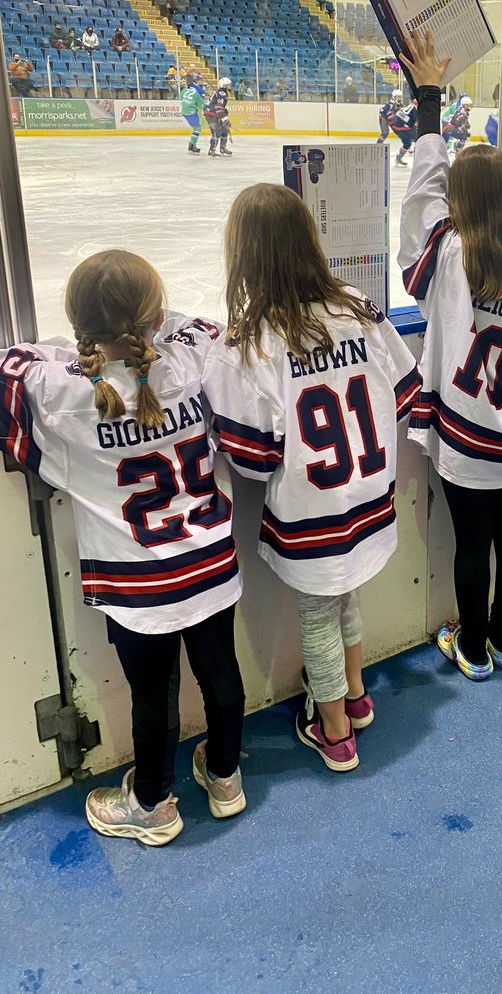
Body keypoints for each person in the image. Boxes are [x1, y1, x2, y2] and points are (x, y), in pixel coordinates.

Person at [0, 251, 246, 847]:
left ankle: (152, 804)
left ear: (78, 324)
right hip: (210, 561)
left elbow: (12, 366)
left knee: (152, 696)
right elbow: (199, 327)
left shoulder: (64, 394)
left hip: (136, 584)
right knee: (222, 674)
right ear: (154, 317)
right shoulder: (191, 357)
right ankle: (225, 777)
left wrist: (67, 352)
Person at [202, 183, 421, 771]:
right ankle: (355, 695)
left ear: (243, 254)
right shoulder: (357, 306)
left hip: (312, 511)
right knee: (345, 595)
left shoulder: (247, 343)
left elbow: (253, 458)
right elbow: (406, 391)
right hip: (369, 497)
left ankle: (335, 731)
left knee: (318, 616)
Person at [398, 28, 502, 679]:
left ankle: (472, 649)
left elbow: (421, 196)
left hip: (463, 442)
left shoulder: (447, 256)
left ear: (460, 202)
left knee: (471, 545)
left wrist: (429, 103)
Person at [204, 77, 233, 156]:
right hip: (210, 113)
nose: (230, 86)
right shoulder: (221, 93)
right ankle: (212, 149)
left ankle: (223, 147)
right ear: (224, 85)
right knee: (216, 131)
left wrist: (225, 115)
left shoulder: (223, 92)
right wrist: (225, 119)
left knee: (224, 129)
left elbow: (221, 107)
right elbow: (218, 107)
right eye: (228, 85)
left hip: (214, 113)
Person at [181, 71, 206, 155]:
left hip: (185, 109)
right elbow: (201, 104)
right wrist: (206, 109)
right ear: (196, 81)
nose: (202, 81)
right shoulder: (200, 90)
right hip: (190, 111)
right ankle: (191, 145)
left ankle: (192, 145)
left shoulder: (187, 88)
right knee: (197, 128)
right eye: (200, 80)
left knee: (196, 128)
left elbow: (182, 95)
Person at [391, 98, 417, 166]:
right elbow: (415, 121)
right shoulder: (415, 108)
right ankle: (418, 160)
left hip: (398, 127)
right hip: (403, 128)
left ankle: (398, 158)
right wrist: (409, 124)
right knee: (418, 140)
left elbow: (398, 113)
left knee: (407, 144)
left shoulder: (409, 106)